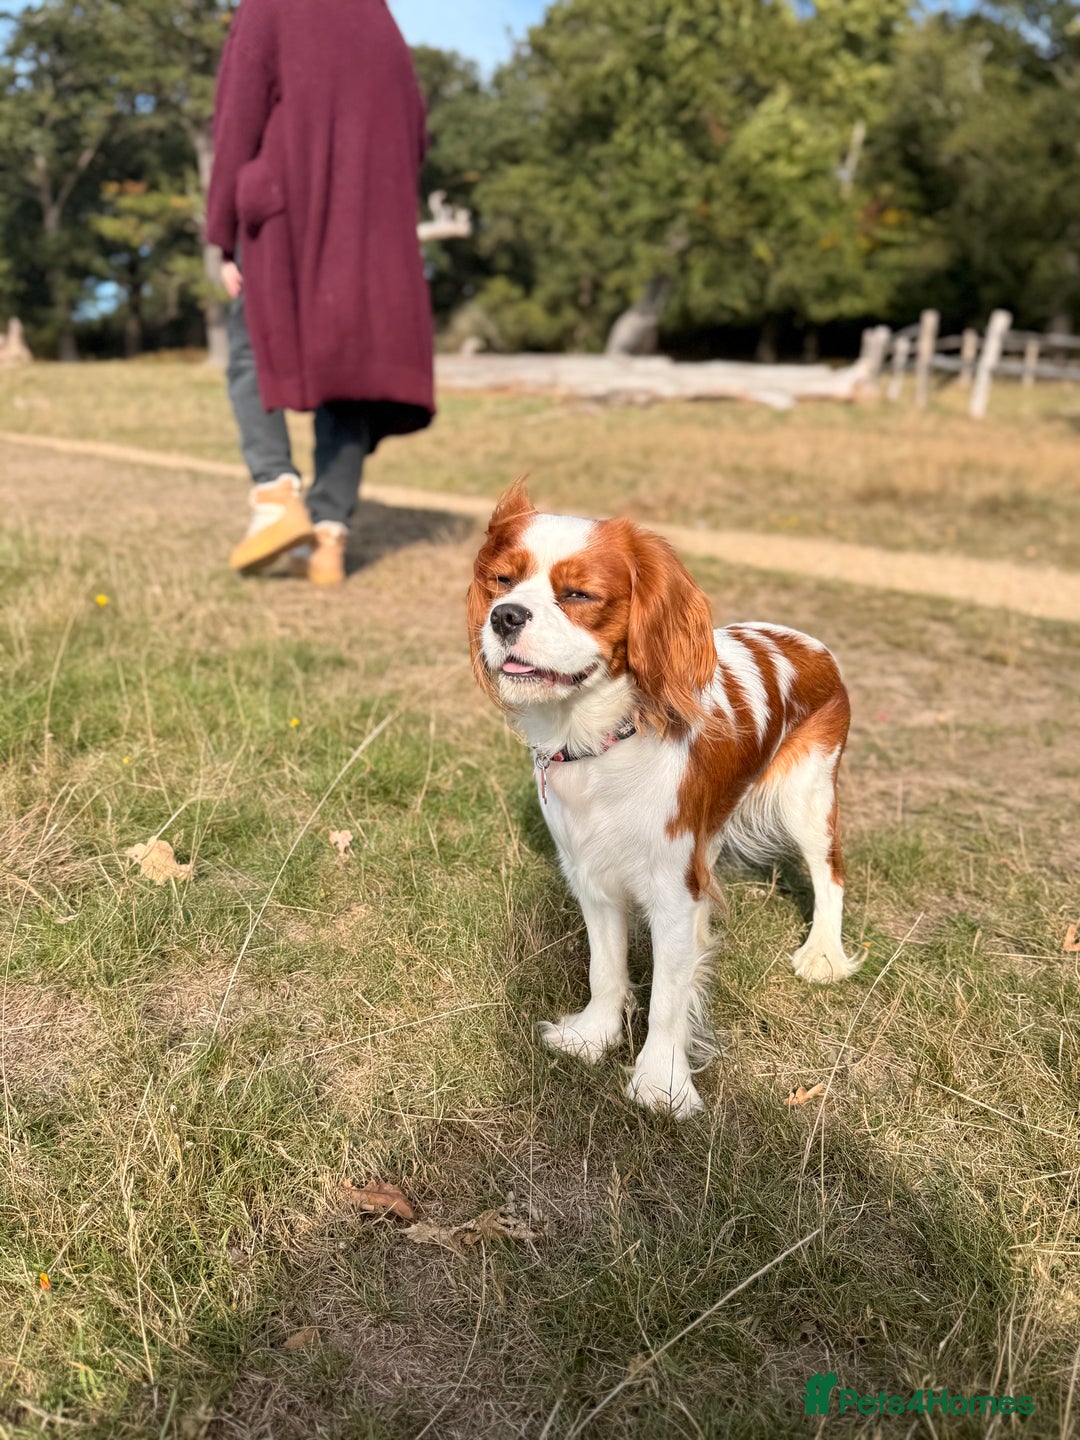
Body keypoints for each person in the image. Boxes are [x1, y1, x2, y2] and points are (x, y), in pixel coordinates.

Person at [206, 0, 435, 586]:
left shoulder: (269, 7)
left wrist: (222, 233)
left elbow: (238, 117)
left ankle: (276, 496)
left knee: (250, 346)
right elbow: (417, 128)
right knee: (347, 376)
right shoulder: (379, 16)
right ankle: (329, 533)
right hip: (370, 228)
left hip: (287, 219)